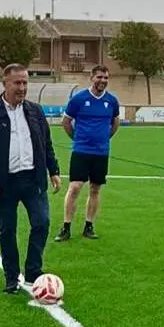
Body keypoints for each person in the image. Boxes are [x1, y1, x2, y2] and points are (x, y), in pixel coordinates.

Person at [0, 63, 62, 293]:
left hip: (33, 180)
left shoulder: (36, 111)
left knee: (42, 223)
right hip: (4, 183)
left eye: (25, 83)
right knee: (7, 230)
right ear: (5, 84)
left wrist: (54, 171)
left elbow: (46, 144)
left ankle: (33, 271)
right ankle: (11, 277)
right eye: (17, 83)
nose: (22, 88)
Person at [56, 65, 121, 241]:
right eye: (99, 77)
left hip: (101, 152)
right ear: (91, 78)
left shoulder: (112, 101)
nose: (103, 81)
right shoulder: (79, 99)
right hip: (81, 151)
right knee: (75, 187)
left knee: (95, 188)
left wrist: (104, 138)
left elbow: (115, 122)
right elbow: (66, 122)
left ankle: (89, 226)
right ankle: (66, 226)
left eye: (106, 78)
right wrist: (77, 139)